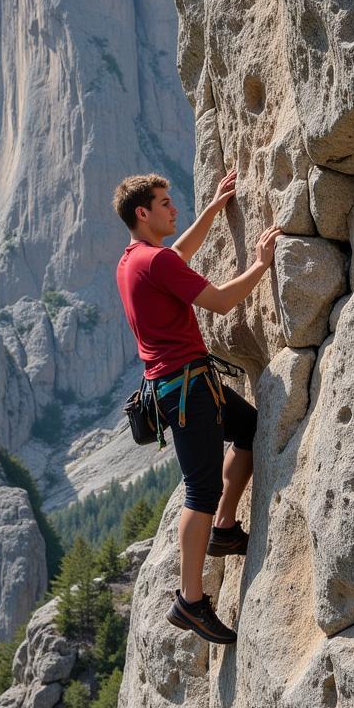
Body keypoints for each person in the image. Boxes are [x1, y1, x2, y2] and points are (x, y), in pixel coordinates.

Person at [113, 170, 281, 645]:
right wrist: (263, 263)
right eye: (165, 203)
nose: (174, 209)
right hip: (187, 393)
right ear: (143, 212)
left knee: (247, 428)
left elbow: (177, 253)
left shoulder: (134, 261)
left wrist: (213, 209)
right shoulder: (154, 263)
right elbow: (224, 302)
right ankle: (190, 600)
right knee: (199, 490)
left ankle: (225, 529)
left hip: (180, 388)